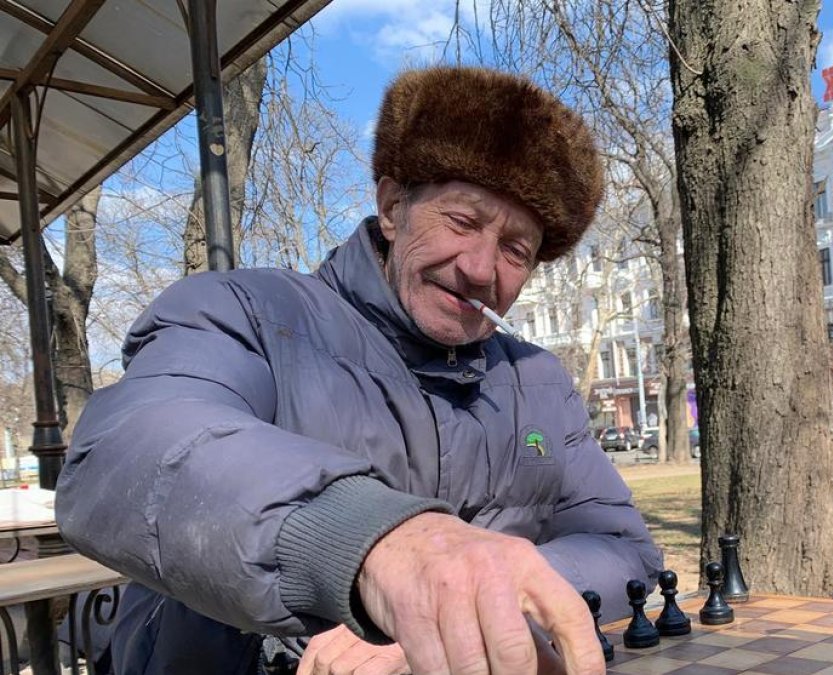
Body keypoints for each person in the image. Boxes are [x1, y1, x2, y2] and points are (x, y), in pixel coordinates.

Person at [55, 66, 662, 674]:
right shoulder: (247, 312)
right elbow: (127, 451)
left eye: (515, 250)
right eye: (463, 221)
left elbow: (625, 551)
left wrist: (468, 604)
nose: (481, 269)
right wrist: (373, 550)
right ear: (393, 206)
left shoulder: (541, 383)